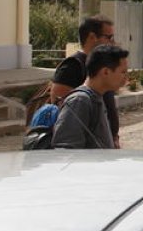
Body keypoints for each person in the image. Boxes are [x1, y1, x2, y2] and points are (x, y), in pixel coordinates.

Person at [51, 15, 123, 148]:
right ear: (92, 37)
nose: (112, 43)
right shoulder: (72, 66)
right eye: (108, 37)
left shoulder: (103, 67)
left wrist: (114, 136)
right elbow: (64, 111)